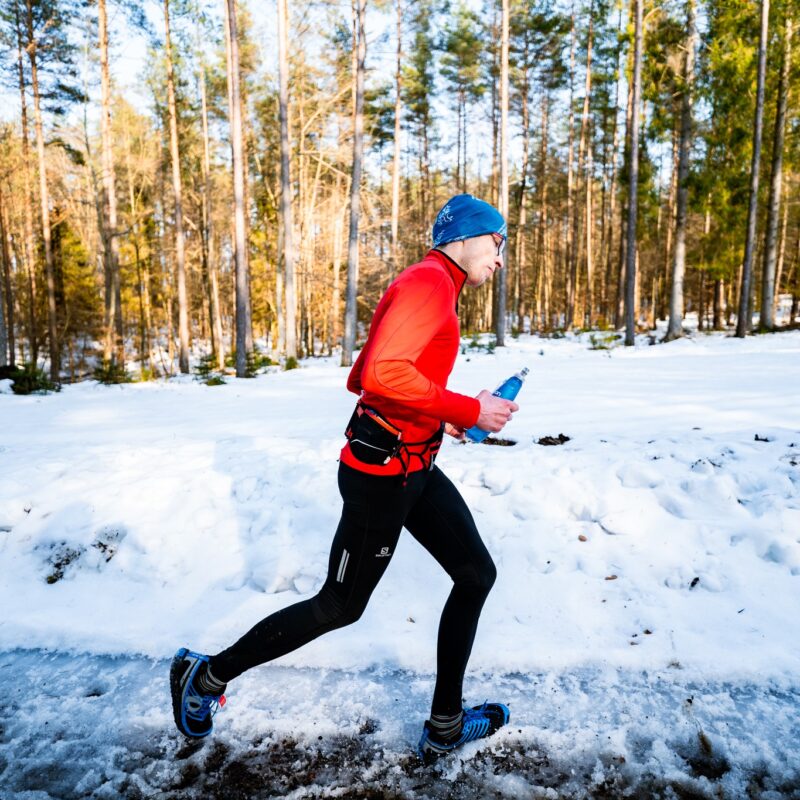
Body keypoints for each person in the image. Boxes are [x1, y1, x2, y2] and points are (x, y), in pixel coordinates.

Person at [170, 194, 519, 763]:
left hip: (414, 464)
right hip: (382, 477)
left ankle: (446, 724)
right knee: (338, 605)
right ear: (463, 238)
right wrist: (467, 408)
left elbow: (366, 376)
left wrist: (441, 416)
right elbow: (382, 373)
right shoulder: (430, 282)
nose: (501, 257)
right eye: (497, 241)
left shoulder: (434, 284)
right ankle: (206, 676)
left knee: (476, 573)